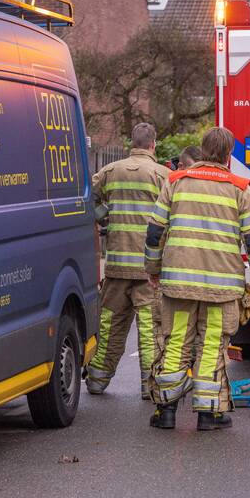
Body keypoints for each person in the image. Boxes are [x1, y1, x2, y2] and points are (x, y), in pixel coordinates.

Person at [144, 127, 250, 431]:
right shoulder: (240, 188)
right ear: (228, 156)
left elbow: (155, 231)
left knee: (175, 344)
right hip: (221, 286)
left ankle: (166, 411)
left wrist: (153, 269)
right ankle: (209, 414)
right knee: (212, 345)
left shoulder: (176, 182)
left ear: (202, 150)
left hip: (179, 284)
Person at [85, 122, 171, 399]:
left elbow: (88, 198)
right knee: (149, 327)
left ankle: (97, 380)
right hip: (149, 268)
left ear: (131, 143)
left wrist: (104, 217)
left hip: (116, 266)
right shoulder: (163, 175)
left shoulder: (110, 171)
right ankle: (149, 385)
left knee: (109, 324)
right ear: (153, 144)